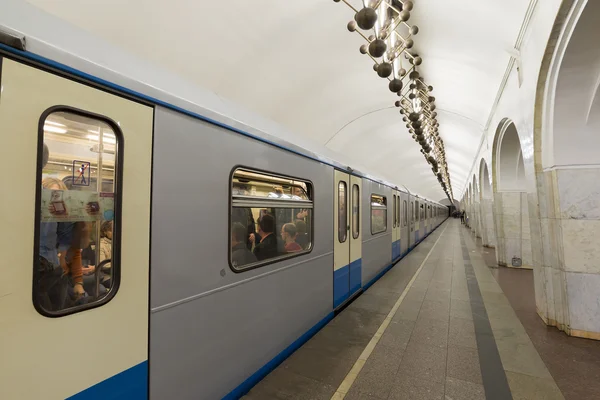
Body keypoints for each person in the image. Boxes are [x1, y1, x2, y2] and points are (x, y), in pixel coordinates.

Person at [38, 175, 88, 310]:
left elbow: (75, 251)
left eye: (59, 197)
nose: (54, 201)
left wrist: (78, 282)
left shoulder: (64, 229)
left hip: (57, 272)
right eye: (50, 195)